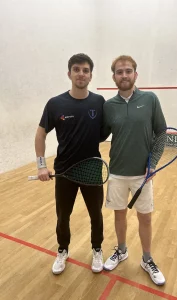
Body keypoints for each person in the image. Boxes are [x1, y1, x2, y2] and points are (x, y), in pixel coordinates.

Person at [35, 53, 105, 275]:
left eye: (85, 70)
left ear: (91, 75)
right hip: (65, 171)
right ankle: (62, 251)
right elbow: (40, 135)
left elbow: (105, 132)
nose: (81, 74)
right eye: (76, 69)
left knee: (96, 214)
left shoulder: (99, 102)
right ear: (69, 73)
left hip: (92, 169)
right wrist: (40, 165)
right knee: (63, 216)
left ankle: (97, 249)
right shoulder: (55, 104)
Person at [102, 55, 166, 285]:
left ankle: (147, 259)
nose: (124, 75)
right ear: (114, 77)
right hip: (117, 172)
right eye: (119, 72)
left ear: (135, 74)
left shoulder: (150, 99)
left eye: (128, 71)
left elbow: (161, 132)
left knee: (145, 218)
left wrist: (153, 163)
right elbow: (99, 133)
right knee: (119, 215)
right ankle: (121, 250)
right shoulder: (108, 106)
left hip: (143, 174)